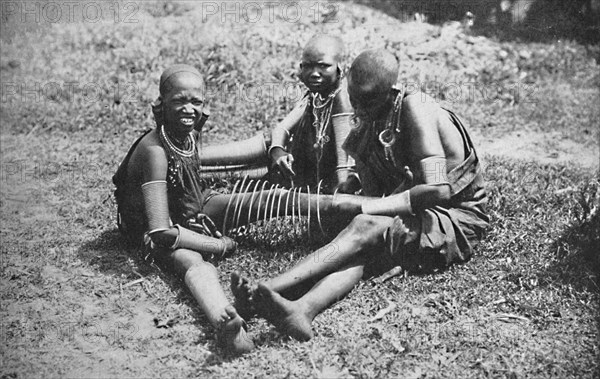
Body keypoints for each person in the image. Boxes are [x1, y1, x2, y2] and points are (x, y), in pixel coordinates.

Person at [232, 49, 490, 341]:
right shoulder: (375, 108)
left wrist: (375, 207)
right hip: (414, 211)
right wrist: (355, 189)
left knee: (364, 227)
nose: (359, 108)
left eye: (366, 101)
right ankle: (302, 309)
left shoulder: (416, 106)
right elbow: (372, 172)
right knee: (359, 243)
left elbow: (438, 189)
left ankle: (269, 289)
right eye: (353, 99)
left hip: (452, 218)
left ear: (391, 90)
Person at [112, 64, 365, 354]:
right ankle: (226, 323)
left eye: (196, 102)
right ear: (160, 104)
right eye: (179, 101)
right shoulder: (154, 151)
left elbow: (188, 185)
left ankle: (365, 204)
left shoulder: (188, 132)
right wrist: (217, 244)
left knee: (272, 200)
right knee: (192, 261)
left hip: (193, 208)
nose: (189, 109)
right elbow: (161, 231)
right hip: (154, 229)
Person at [267, 34, 359, 194]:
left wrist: (338, 198)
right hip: (304, 168)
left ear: (340, 67)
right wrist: (277, 151)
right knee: (266, 145)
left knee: (259, 164)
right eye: (308, 66)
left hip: (327, 183)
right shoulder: (315, 95)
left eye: (323, 66)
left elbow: (343, 165)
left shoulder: (342, 99)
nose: (315, 73)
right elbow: (282, 128)